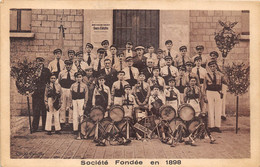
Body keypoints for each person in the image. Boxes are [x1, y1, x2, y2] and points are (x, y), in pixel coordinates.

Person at [203, 60, 226, 133]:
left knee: (218, 109)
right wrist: (205, 95)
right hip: (209, 92)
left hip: (217, 92)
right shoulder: (206, 75)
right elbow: (204, 86)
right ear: (209, 67)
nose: (213, 68)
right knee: (210, 109)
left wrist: (222, 92)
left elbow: (224, 84)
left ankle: (217, 126)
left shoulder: (220, 75)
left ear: (216, 66)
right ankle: (211, 126)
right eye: (211, 66)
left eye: (214, 66)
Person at [32, 57, 51, 132]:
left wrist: (48, 90)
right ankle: (34, 127)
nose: (40, 63)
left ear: (43, 63)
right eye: (38, 62)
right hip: (36, 94)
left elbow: (50, 80)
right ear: (36, 62)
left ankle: (44, 127)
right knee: (36, 110)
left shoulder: (46, 71)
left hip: (44, 93)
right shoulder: (33, 71)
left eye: (41, 62)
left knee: (44, 110)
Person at [70, 72, 88, 138]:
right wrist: (71, 103)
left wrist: (85, 103)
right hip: (74, 100)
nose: (78, 78)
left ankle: (81, 129)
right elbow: (70, 95)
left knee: (81, 114)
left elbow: (86, 95)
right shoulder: (73, 85)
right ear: (75, 78)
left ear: (82, 78)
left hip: (81, 100)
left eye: (80, 77)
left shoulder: (84, 86)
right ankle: (75, 129)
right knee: (75, 115)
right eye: (77, 77)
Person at [58, 60, 76, 125]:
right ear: (65, 65)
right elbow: (59, 82)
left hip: (71, 90)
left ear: (71, 65)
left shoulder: (74, 73)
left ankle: (71, 121)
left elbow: (76, 83)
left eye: (70, 65)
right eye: (67, 65)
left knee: (71, 105)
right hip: (63, 90)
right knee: (63, 106)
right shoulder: (61, 73)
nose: (68, 66)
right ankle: (62, 121)